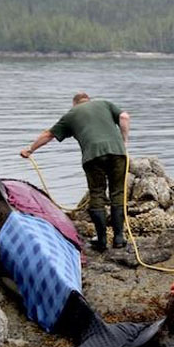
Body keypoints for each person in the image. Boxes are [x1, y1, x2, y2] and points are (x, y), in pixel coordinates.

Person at [20, 92, 130, 251]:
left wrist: (29, 150)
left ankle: (102, 240)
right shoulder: (105, 104)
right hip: (117, 153)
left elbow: (48, 134)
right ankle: (119, 238)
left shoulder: (71, 115)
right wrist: (124, 142)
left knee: (97, 193)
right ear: (88, 100)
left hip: (92, 157)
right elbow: (125, 117)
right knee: (117, 192)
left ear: (74, 104)